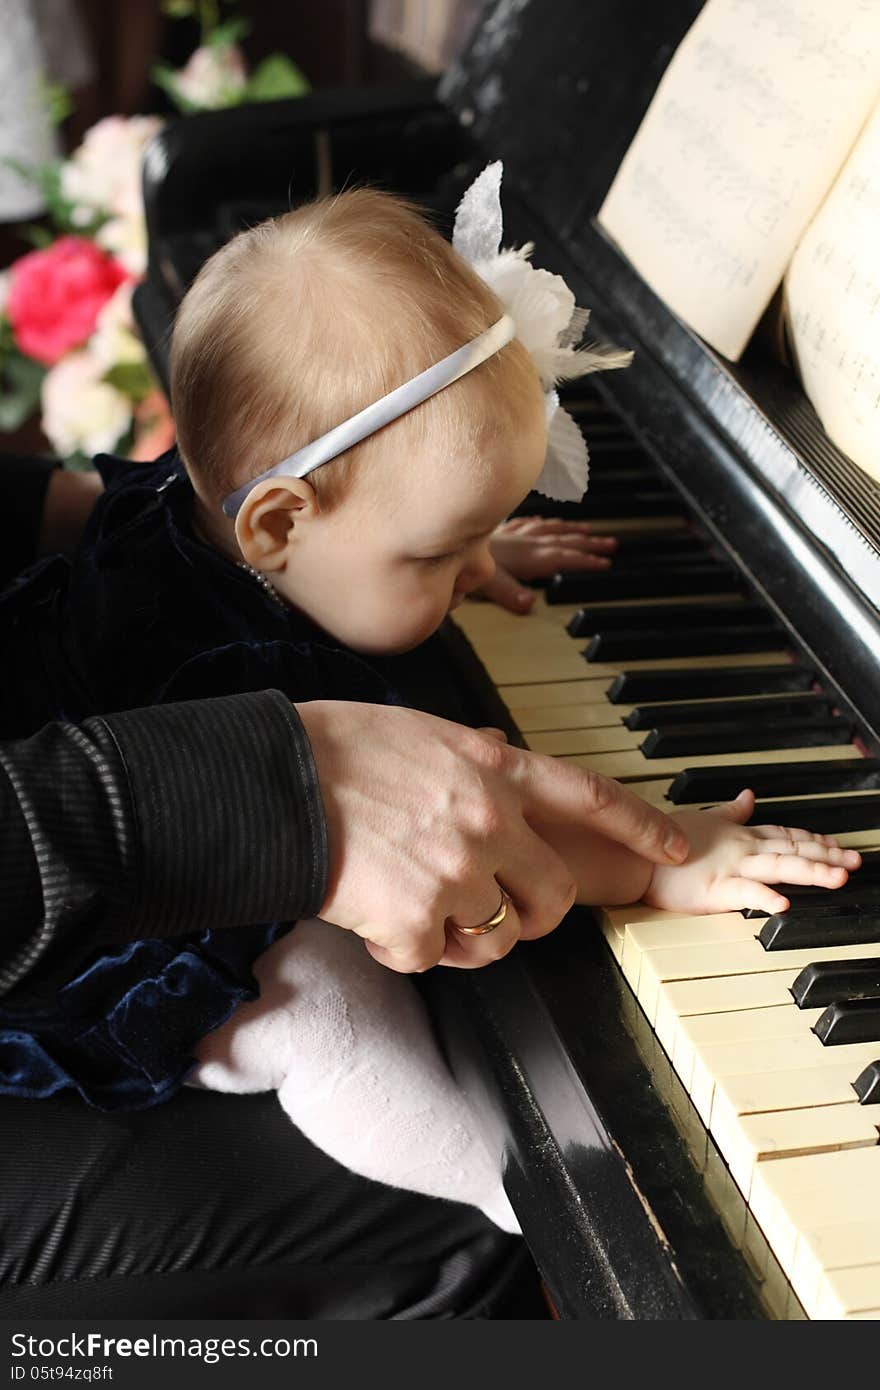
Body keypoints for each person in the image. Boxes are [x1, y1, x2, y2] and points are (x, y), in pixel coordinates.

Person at [0, 169, 858, 1232]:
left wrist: (463, 543)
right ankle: (519, 1207)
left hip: (75, 797)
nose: (463, 575)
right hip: (99, 945)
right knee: (327, 1017)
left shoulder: (191, 509)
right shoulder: (229, 669)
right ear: (277, 526)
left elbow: (373, 509)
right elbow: (493, 822)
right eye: (437, 551)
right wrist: (664, 855)